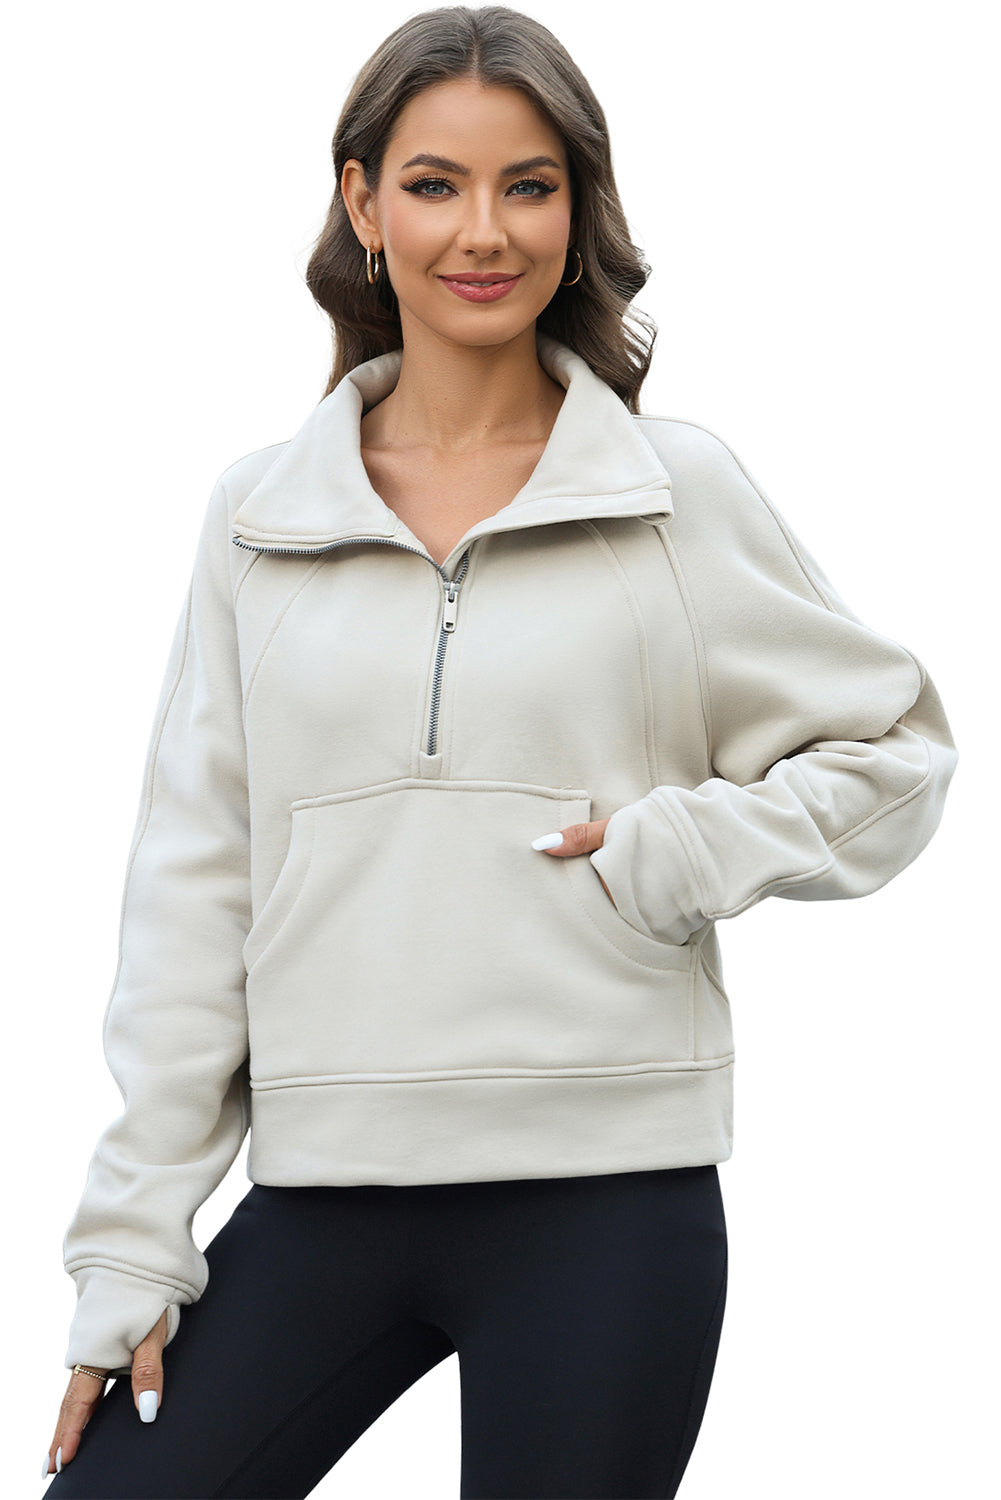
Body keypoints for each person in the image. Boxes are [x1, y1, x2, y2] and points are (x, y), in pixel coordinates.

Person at [42, 6, 959, 1498]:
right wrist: (134, 1239)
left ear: (578, 211)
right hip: (325, 1187)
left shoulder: (672, 492)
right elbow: (192, 886)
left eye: (529, 186)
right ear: (361, 203)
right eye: (434, 184)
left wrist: (676, 852)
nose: (484, 231)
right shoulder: (261, 515)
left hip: (607, 1200)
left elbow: (893, 750)